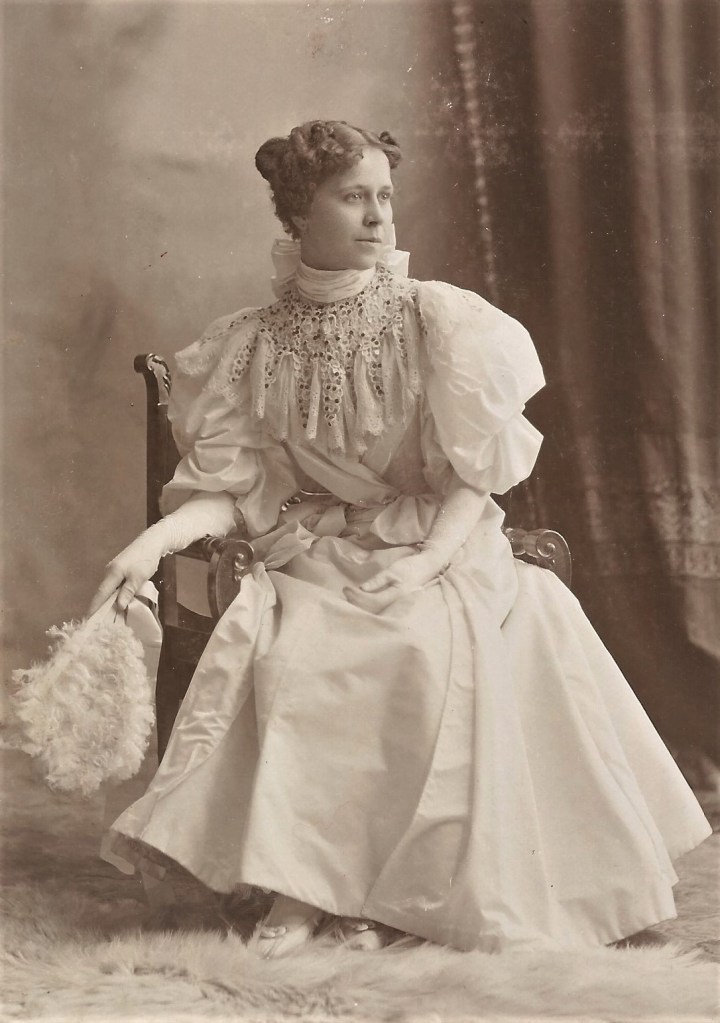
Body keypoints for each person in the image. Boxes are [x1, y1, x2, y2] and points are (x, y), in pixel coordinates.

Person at [91, 120, 711, 958]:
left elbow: (472, 475)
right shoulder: (251, 341)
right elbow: (228, 492)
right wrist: (150, 546)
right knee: (295, 642)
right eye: (354, 197)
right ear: (298, 215)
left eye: (385, 195)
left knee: (419, 641)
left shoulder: (436, 318)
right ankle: (305, 887)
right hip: (320, 548)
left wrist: (425, 562)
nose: (379, 215)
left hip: (438, 541)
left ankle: (383, 899)